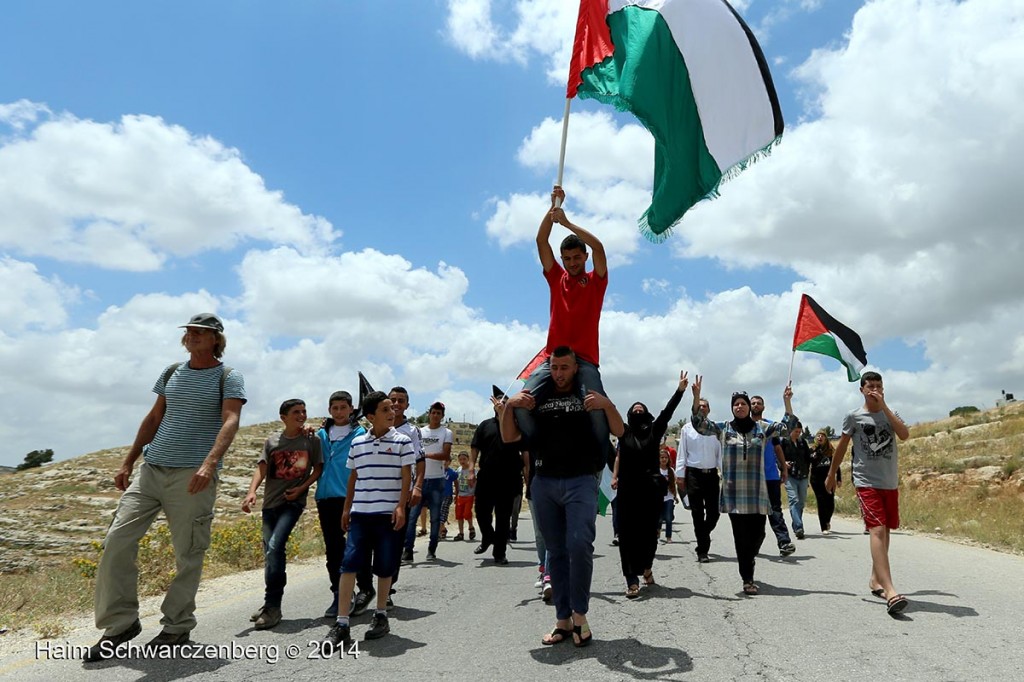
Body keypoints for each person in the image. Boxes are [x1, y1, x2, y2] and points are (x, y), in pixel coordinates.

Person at [86, 313, 246, 662]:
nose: (191, 336)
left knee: (188, 552)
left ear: (217, 338)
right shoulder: (172, 371)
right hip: (151, 469)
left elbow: (231, 419)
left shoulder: (228, 376)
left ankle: (177, 624)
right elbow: (155, 417)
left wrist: (208, 464)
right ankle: (120, 624)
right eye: (189, 331)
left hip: (192, 475)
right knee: (116, 541)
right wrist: (129, 459)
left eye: (200, 332)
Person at [501, 346, 624, 647]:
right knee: (554, 551)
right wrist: (509, 406)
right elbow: (509, 437)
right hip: (544, 482)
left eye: (565, 368)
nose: (558, 374)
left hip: (581, 480)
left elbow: (620, 431)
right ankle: (563, 620)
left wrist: (607, 405)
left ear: (575, 368)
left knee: (580, 544)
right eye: (554, 368)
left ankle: (580, 615)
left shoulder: (588, 397)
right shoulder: (538, 399)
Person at [514, 187, 611, 458]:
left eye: (577, 257)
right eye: (567, 258)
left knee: (595, 407)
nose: (572, 263)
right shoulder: (556, 278)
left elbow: (599, 246)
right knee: (520, 403)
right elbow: (541, 240)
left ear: (585, 257)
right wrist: (553, 208)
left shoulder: (595, 281)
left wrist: (567, 222)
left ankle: (600, 458)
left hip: (585, 359)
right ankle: (541, 448)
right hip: (552, 358)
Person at [323, 391, 415, 650]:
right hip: (360, 513)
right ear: (371, 416)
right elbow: (354, 477)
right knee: (348, 564)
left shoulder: (403, 441)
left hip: (388, 514)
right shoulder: (358, 443)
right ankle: (342, 624)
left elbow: (406, 476)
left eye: (392, 408)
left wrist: (401, 506)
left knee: (385, 567)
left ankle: (381, 614)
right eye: (386, 409)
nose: (392, 412)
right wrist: (346, 509)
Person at [690, 377, 795, 595]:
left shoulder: (762, 428)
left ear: (749, 407)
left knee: (758, 535)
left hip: (757, 493)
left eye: (743, 403)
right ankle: (747, 578)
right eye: (736, 404)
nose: (739, 406)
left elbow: (788, 428)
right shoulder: (723, 428)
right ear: (732, 408)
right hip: (734, 492)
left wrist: (787, 402)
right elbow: (699, 425)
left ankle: (749, 558)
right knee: (741, 537)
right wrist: (696, 397)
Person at [826, 371, 910, 616]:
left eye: (879, 385)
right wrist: (832, 473)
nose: (875, 389)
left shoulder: (890, 413)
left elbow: (904, 435)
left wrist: (884, 406)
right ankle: (890, 590)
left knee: (885, 530)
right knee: (876, 528)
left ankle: (875, 579)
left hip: (889, 481)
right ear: (861, 389)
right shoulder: (854, 417)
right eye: (870, 385)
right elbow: (841, 447)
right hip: (866, 481)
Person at [244, 399, 322, 629]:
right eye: (296, 412)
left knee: (275, 547)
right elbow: (262, 468)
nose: (301, 415)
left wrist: (301, 488)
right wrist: (251, 492)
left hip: (293, 503)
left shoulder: (311, 439)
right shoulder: (272, 441)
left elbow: (318, 468)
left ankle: (273, 607)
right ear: (283, 417)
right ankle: (269, 603)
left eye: (304, 411)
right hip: (270, 504)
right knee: (270, 553)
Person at [612, 372, 688, 598]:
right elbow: (608, 412)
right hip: (627, 491)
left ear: (646, 414)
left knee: (649, 535)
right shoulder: (623, 432)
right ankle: (631, 580)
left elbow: (667, 412)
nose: (637, 412)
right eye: (634, 410)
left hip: (651, 490)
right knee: (626, 535)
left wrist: (680, 391)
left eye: (641, 410)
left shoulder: (654, 431)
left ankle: (646, 566)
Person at [315, 390, 367, 618]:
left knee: (356, 546)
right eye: (334, 408)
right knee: (333, 550)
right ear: (329, 410)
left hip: (352, 497)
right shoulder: (320, 434)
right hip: (325, 498)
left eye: (343, 408)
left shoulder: (360, 433)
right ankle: (339, 594)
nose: (338, 412)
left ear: (351, 409)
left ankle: (366, 588)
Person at [470, 393, 528, 565]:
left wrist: (528, 476)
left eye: (505, 401)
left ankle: (499, 553)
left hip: (508, 478)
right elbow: (475, 447)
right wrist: (471, 469)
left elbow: (525, 454)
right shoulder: (485, 425)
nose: (501, 403)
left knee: (503, 517)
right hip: (486, 476)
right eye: (499, 401)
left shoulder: (516, 426)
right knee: (481, 511)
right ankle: (488, 537)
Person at [675, 397, 722, 563]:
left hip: (711, 475)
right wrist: (680, 475)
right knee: (697, 512)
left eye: (705, 406)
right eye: (699, 406)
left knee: (714, 513)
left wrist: (725, 473)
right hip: (693, 475)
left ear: (709, 410)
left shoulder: (716, 429)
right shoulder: (687, 429)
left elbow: (720, 454)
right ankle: (703, 550)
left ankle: (703, 534)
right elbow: (682, 453)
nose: (702, 409)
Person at [404, 401, 452, 562]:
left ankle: (432, 549)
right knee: (412, 517)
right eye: (433, 412)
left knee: (435, 518)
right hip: (420, 479)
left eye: (439, 413)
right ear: (429, 413)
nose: (436, 415)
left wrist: (425, 455)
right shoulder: (419, 432)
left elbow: (445, 454)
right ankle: (408, 551)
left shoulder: (447, 432)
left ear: (442, 416)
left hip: (437, 480)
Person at [750, 395, 796, 556]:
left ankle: (784, 542)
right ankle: (753, 545)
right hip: (751, 479)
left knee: (775, 510)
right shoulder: (743, 427)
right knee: (756, 516)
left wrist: (783, 468)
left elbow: (778, 448)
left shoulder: (770, 426)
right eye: (753, 403)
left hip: (770, 476)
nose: (756, 405)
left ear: (763, 407)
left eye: (759, 403)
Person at [778, 421, 812, 540]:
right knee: (794, 500)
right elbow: (777, 456)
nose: (797, 434)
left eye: (799, 432)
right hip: (790, 475)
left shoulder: (803, 443)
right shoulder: (783, 442)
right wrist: (783, 464)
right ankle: (799, 527)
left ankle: (796, 523)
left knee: (801, 502)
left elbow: (808, 459)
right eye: (795, 431)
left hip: (802, 476)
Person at [809, 429, 839, 534]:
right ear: (816, 438)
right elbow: (807, 464)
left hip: (828, 479)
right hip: (815, 480)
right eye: (818, 436)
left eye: (822, 436)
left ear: (826, 438)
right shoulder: (812, 450)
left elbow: (836, 465)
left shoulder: (831, 450)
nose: (820, 437)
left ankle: (827, 520)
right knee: (821, 502)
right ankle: (824, 527)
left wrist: (838, 478)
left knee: (830, 503)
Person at [658, 450, 680, 544]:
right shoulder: (655, 469)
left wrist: (675, 496)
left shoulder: (671, 471)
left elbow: (674, 484)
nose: (664, 459)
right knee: (658, 518)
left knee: (668, 517)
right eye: (662, 457)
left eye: (665, 458)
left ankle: (668, 536)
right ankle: (657, 532)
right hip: (657, 498)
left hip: (669, 497)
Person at [439, 453, 459, 540]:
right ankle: (442, 529)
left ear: (449, 462)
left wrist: (456, 493)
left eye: (446, 461)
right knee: (438, 512)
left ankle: (440, 530)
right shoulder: (438, 471)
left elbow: (456, 483)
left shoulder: (452, 473)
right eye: (443, 460)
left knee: (443, 511)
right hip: (439, 495)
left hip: (447, 495)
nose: (444, 462)